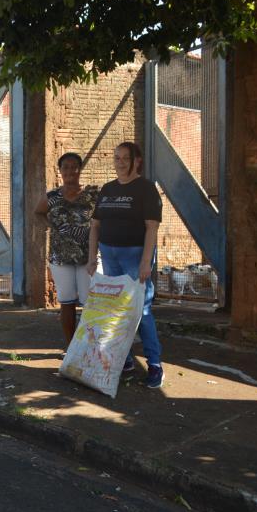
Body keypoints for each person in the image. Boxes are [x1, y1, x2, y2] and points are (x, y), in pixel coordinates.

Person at [86, 141, 164, 388]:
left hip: (134, 256)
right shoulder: (107, 189)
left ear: (136, 161)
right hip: (109, 256)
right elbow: (95, 226)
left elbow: (151, 228)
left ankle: (154, 364)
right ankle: (125, 359)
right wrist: (91, 258)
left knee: (141, 311)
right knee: (116, 310)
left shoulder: (146, 189)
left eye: (124, 158)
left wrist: (145, 263)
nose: (119, 163)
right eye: (116, 158)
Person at [34, 152, 98, 345]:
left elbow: (102, 218)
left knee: (89, 302)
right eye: (66, 167)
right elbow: (38, 213)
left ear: (80, 169)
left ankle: (88, 347)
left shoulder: (93, 195)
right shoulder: (52, 197)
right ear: (60, 171)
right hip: (60, 257)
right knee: (67, 301)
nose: (70, 171)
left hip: (88, 256)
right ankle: (71, 347)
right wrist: (50, 226)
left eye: (74, 167)